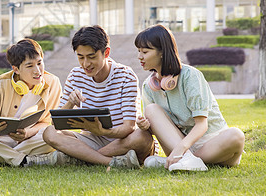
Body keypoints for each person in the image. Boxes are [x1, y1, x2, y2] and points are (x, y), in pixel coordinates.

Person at [135, 24, 245, 171]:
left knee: (236, 135)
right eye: (138, 51)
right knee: (151, 109)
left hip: (212, 143)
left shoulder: (190, 76)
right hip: (178, 145)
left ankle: (179, 160)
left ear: (162, 52)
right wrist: (146, 127)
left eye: (145, 51)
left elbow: (202, 124)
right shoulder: (149, 86)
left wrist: (180, 150)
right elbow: (160, 129)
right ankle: (187, 160)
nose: (139, 56)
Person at [43, 25, 154, 169]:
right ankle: (111, 162)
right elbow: (55, 123)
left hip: (122, 141)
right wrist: (70, 102)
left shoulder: (126, 76)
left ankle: (83, 158)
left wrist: (101, 131)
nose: (86, 64)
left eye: (91, 57)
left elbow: (129, 127)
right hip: (91, 140)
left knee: (142, 137)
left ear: (106, 52)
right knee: (49, 133)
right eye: (80, 57)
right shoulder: (76, 75)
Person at [0, 38, 62, 168]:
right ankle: (24, 161)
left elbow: (45, 122)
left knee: (54, 134)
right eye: (30, 66)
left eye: (39, 63)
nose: (38, 71)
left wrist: (27, 132)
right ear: (16, 69)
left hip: (31, 139)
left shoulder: (53, 83)